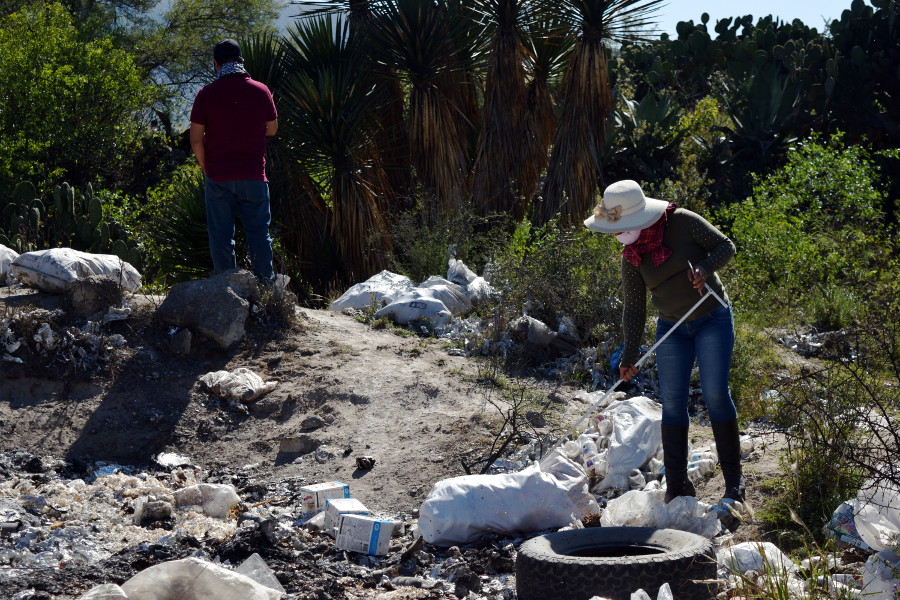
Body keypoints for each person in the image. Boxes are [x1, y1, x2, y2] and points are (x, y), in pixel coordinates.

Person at [584, 179, 744, 505]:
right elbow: (635, 307)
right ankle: (677, 486)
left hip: (711, 316)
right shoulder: (632, 256)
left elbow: (725, 245)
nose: (618, 235)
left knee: (715, 393)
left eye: (621, 227)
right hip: (672, 328)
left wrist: (704, 266)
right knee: (672, 403)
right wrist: (628, 356)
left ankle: (734, 484)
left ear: (639, 219)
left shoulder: (683, 222)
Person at [189, 38, 278, 284]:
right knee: (259, 234)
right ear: (241, 61)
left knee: (220, 235)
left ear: (216, 64)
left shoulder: (206, 94)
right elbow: (272, 129)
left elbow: (196, 139)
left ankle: (226, 288)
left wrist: (206, 166)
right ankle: (265, 287)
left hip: (218, 175)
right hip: (253, 174)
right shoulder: (261, 90)